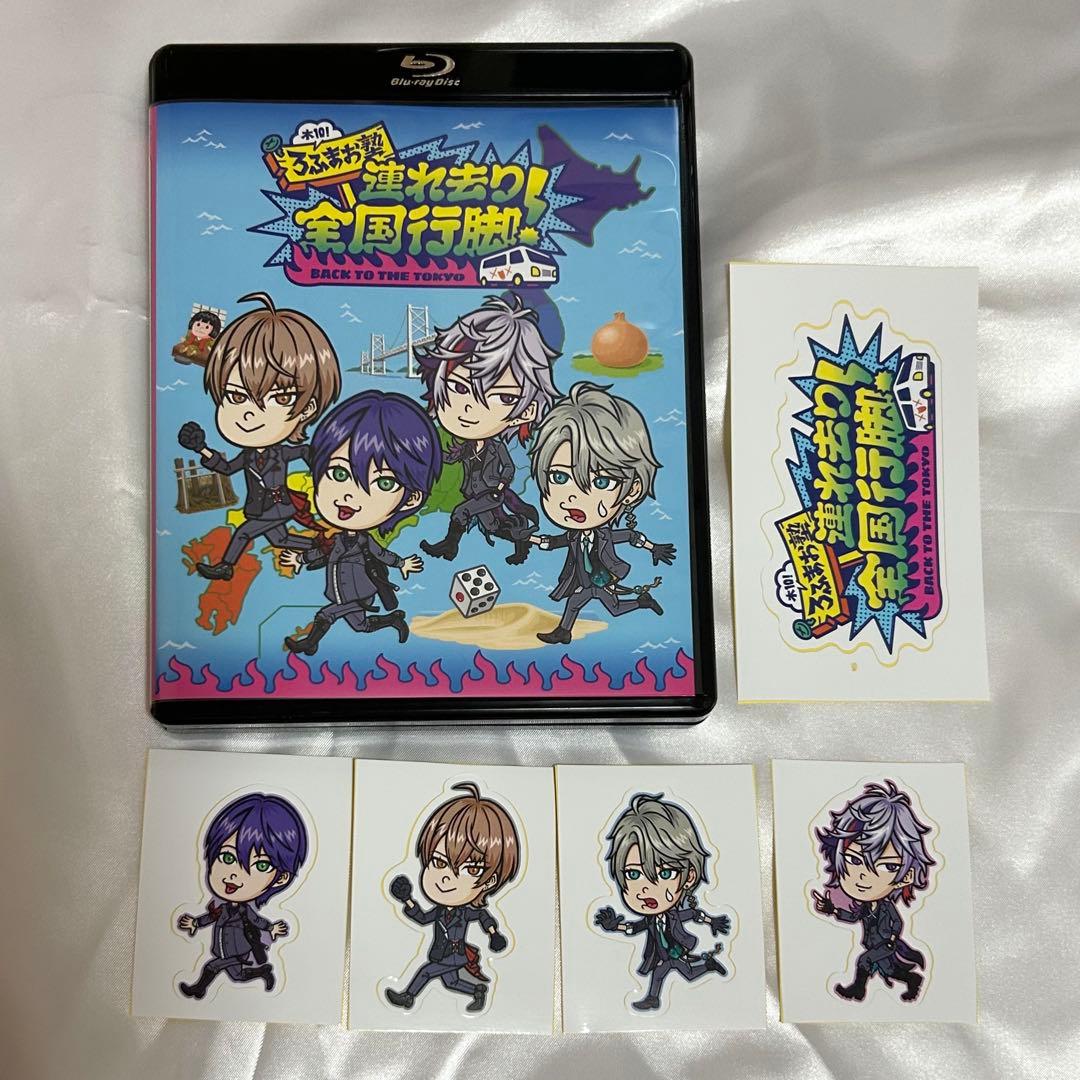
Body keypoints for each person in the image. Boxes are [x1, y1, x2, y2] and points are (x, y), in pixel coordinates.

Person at [177, 292, 342, 581]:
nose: (249, 415)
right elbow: (226, 468)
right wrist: (202, 448)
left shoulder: (283, 452)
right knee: (281, 540)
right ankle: (325, 549)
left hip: (280, 507)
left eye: (279, 398)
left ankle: (226, 567)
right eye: (236, 396)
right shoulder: (249, 454)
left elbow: (306, 452)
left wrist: (326, 465)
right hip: (259, 509)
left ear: (307, 408)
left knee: (244, 533)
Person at [281, 391, 440, 653]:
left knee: (326, 615)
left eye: (384, 483)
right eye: (339, 473)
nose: (349, 494)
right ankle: (393, 620)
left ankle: (309, 644)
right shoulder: (338, 538)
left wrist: (402, 563)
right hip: (340, 591)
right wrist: (300, 559)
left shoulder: (364, 540)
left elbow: (382, 554)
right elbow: (323, 552)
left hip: (361, 593)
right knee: (361, 627)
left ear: (411, 499)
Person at [525, 382, 675, 644]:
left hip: (604, 578)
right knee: (579, 602)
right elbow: (555, 542)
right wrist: (530, 538)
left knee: (612, 609)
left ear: (632, 490)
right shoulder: (574, 535)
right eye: (560, 477)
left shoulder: (605, 534)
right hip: (586, 580)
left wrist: (653, 548)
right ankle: (564, 632)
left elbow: (630, 536)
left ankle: (642, 603)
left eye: (601, 481)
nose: (573, 497)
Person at [417, 294, 559, 566]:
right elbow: (451, 458)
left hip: (491, 493)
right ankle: (522, 540)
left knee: (461, 513)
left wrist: (501, 486)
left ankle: (448, 548)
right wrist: (430, 453)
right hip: (474, 492)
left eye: (503, 397)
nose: (470, 408)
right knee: (494, 527)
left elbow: (508, 468)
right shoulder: (469, 444)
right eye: (459, 387)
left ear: (526, 411)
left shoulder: (497, 447)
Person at [385, 782, 518, 1013]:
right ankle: (477, 991)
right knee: (451, 983)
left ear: (489, 882)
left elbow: (483, 916)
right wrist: (407, 899)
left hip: (455, 956)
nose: (447, 878)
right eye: (438, 862)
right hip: (441, 954)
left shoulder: (466, 912)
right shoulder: (439, 910)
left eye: (471, 869)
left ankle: (407, 997)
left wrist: (494, 934)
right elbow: (423, 919)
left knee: (427, 971)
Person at [593, 792, 730, 1010]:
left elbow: (694, 914)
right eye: (633, 874)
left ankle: (705, 967)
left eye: (665, 873)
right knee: (666, 972)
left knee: (685, 973)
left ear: (690, 877)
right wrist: (614, 926)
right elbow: (633, 928)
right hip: (663, 954)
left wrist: (712, 921)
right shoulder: (650, 920)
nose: (646, 888)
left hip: (677, 950)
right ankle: (656, 996)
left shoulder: (674, 914)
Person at [811, 779, 935, 1003]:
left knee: (865, 962)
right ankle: (912, 980)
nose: (864, 875)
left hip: (886, 945)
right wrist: (831, 909)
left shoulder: (886, 907)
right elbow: (853, 917)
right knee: (889, 971)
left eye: (888, 866)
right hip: (875, 945)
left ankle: (857, 990)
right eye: (854, 860)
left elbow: (896, 923)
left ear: (906, 876)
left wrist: (891, 940)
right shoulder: (867, 905)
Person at [176, 792, 308, 999]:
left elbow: (257, 920)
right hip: (223, 949)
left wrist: (271, 928)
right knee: (238, 976)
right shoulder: (222, 907)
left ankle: (198, 989)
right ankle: (263, 972)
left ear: (281, 878)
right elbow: (211, 917)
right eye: (227, 857)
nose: (234, 874)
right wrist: (195, 923)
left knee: (212, 967)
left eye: (260, 865)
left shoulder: (245, 910)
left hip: (239, 950)